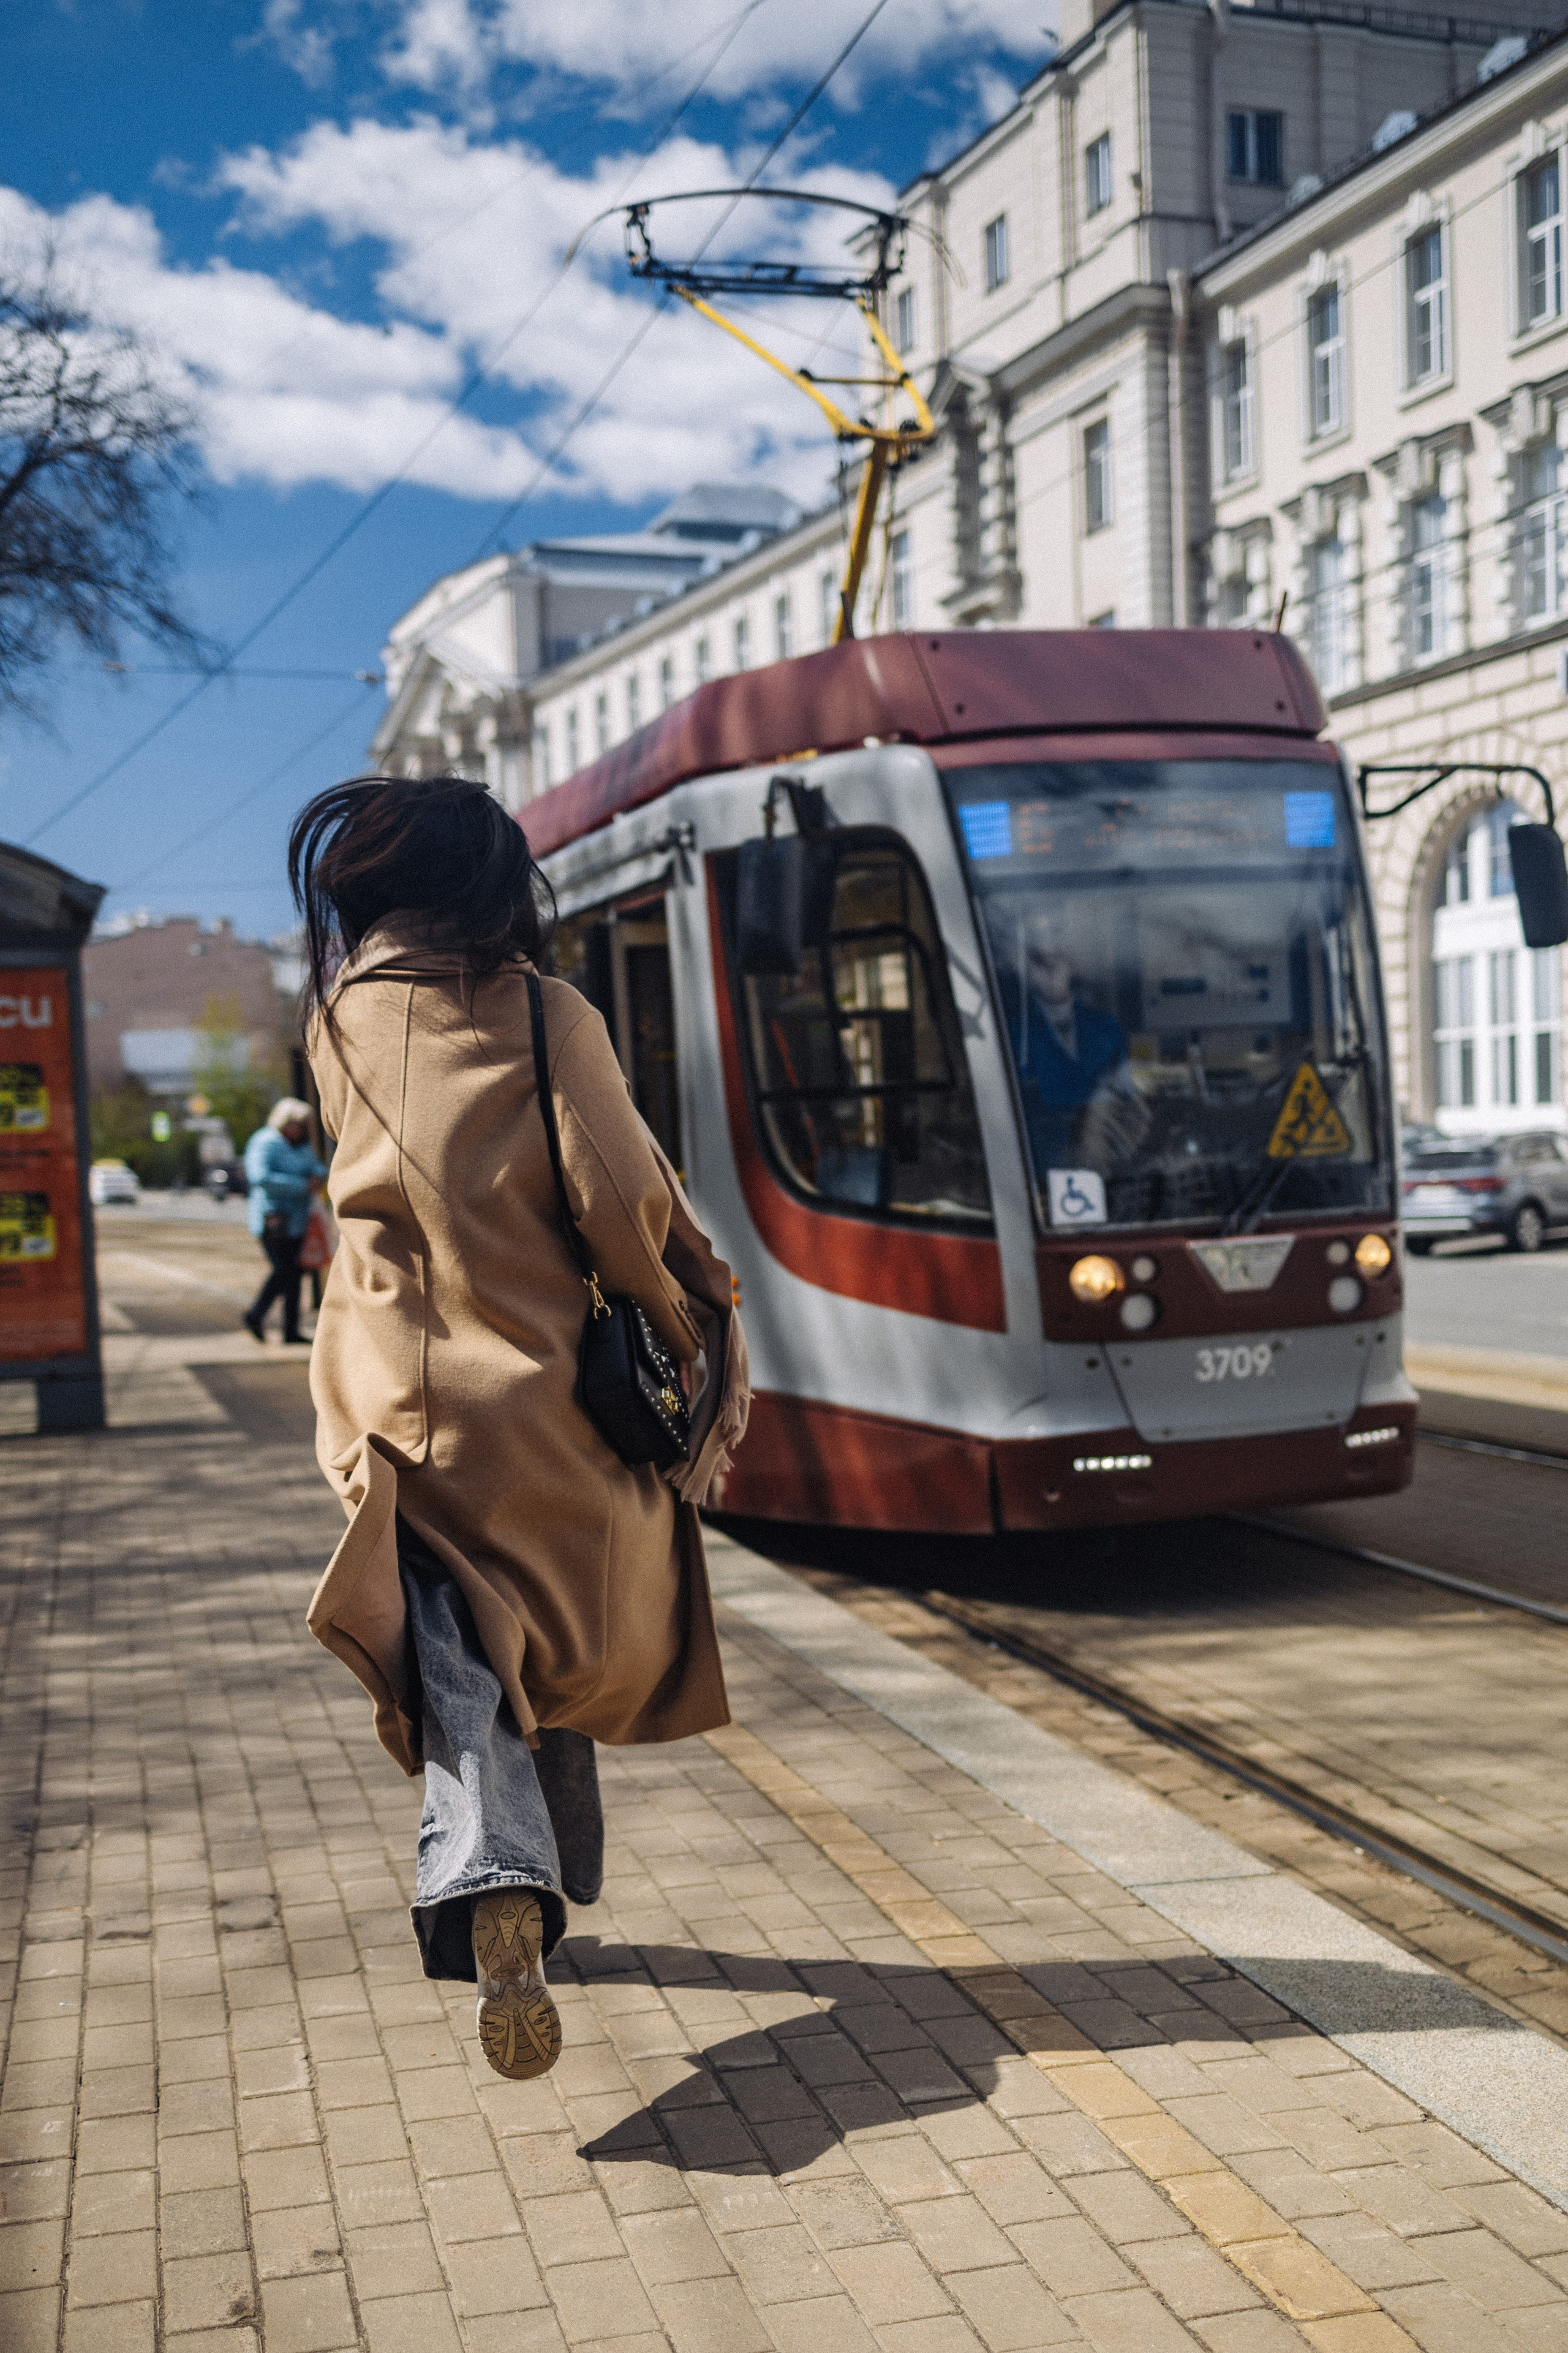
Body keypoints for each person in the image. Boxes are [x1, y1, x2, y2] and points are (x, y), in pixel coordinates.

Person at [290, 774, 748, 2083]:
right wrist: (696, 1314)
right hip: (531, 1393)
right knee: (548, 1622)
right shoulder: (545, 1013)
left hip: (381, 1391)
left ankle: (512, 1872)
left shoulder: (333, 1019)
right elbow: (618, 1198)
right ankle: (514, 1866)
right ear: (494, 884)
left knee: (460, 1641)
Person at [1008, 913, 1148, 1173]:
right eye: (1039, 961)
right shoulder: (1014, 1034)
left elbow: (1124, 1096)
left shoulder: (1106, 1028)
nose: (1051, 970)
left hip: (1101, 1161)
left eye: (1057, 958)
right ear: (1026, 970)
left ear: (1071, 966)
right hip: (1038, 1166)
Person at [242, 1099, 326, 1345]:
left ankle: (291, 1330)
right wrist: (302, 1186)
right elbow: (260, 1177)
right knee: (283, 1271)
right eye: (298, 1124)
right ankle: (255, 1315)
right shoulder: (265, 1142)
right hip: (274, 1219)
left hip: (298, 1221)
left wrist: (318, 1177)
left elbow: (318, 1167)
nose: (301, 1129)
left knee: (295, 1275)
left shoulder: (302, 1146)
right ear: (285, 1122)